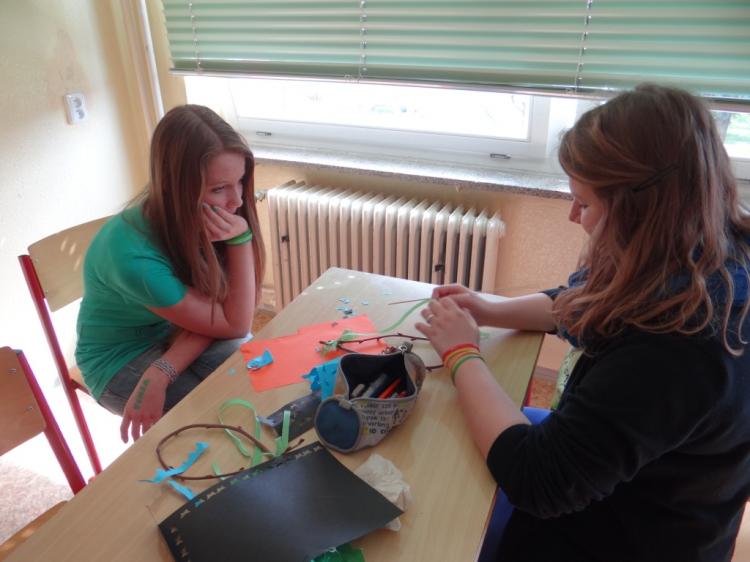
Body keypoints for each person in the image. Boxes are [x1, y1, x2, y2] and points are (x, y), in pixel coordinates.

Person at [416, 84, 750, 561]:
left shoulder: (678, 343)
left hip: (634, 536)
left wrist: (461, 353)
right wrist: (490, 308)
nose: (574, 216)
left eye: (586, 204)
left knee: (439, 514)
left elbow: (539, 480)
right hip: (645, 479)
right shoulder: (697, 243)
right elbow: (588, 303)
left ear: (642, 212)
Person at [75, 105, 264, 443]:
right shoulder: (133, 259)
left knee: (252, 378)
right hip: (119, 359)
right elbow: (232, 321)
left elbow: (229, 317)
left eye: (240, 181)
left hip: (177, 331)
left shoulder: (197, 218)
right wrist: (240, 240)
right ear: (176, 189)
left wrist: (162, 370)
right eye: (219, 188)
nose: (236, 200)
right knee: (218, 426)